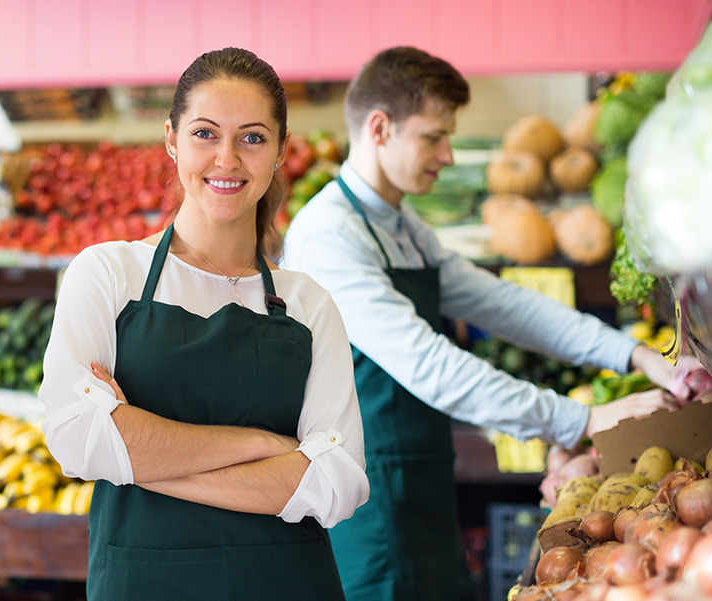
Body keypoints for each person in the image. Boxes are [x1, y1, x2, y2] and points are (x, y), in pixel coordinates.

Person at [280, 46, 697, 601]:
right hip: (367, 493)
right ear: (380, 128)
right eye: (434, 136)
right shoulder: (329, 236)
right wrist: (580, 417)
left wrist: (634, 355)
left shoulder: (400, 225)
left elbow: (504, 304)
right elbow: (429, 364)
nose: (448, 155)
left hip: (421, 479)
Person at [39, 47, 369, 601]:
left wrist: (140, 456)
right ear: (172, 139)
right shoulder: (107, 273)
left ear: (281, 150)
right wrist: (268, 445)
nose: (227, 159)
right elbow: (78, 438)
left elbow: (337, 484)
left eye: (253, 138)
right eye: (205, 134)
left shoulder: (309, 303)